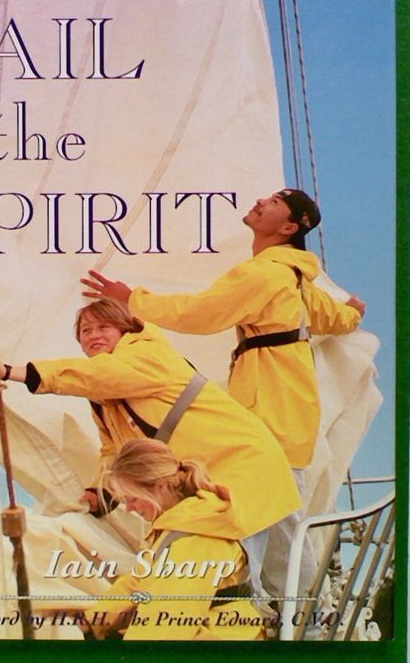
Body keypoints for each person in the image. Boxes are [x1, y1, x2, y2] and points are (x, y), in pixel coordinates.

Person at [80, 188, 365, 595]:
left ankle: (292, 609)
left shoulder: (264, 274)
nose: (262, 201)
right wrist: (352, 313)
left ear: (288, 227)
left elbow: (201, 312)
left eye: (275, 202)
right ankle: (298, 608)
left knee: (262, 510)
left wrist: (131, 299)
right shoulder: (291, 276)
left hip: (271, 408)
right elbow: (327, 315)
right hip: (288, 405)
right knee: (277, 510)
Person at [0, 298, 300, 590]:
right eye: (85, 331)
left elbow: (97, 374)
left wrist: (15, 373)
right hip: (217, 475)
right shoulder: (105, 394)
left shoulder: (147, 354)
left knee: (253, 567)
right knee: (265, 566)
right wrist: (101, 493)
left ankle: (295, 620)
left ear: (124, 330)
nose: (93, 335)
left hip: (244, 463)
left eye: (104, 327)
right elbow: (115, 451)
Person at [80, 438, 269, 641]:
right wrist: (92, 621)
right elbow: (138, 583)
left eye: (133, 499)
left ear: (160, 486)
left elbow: (167, 622)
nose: (129, 509)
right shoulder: (181, 521)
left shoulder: (193, 539)